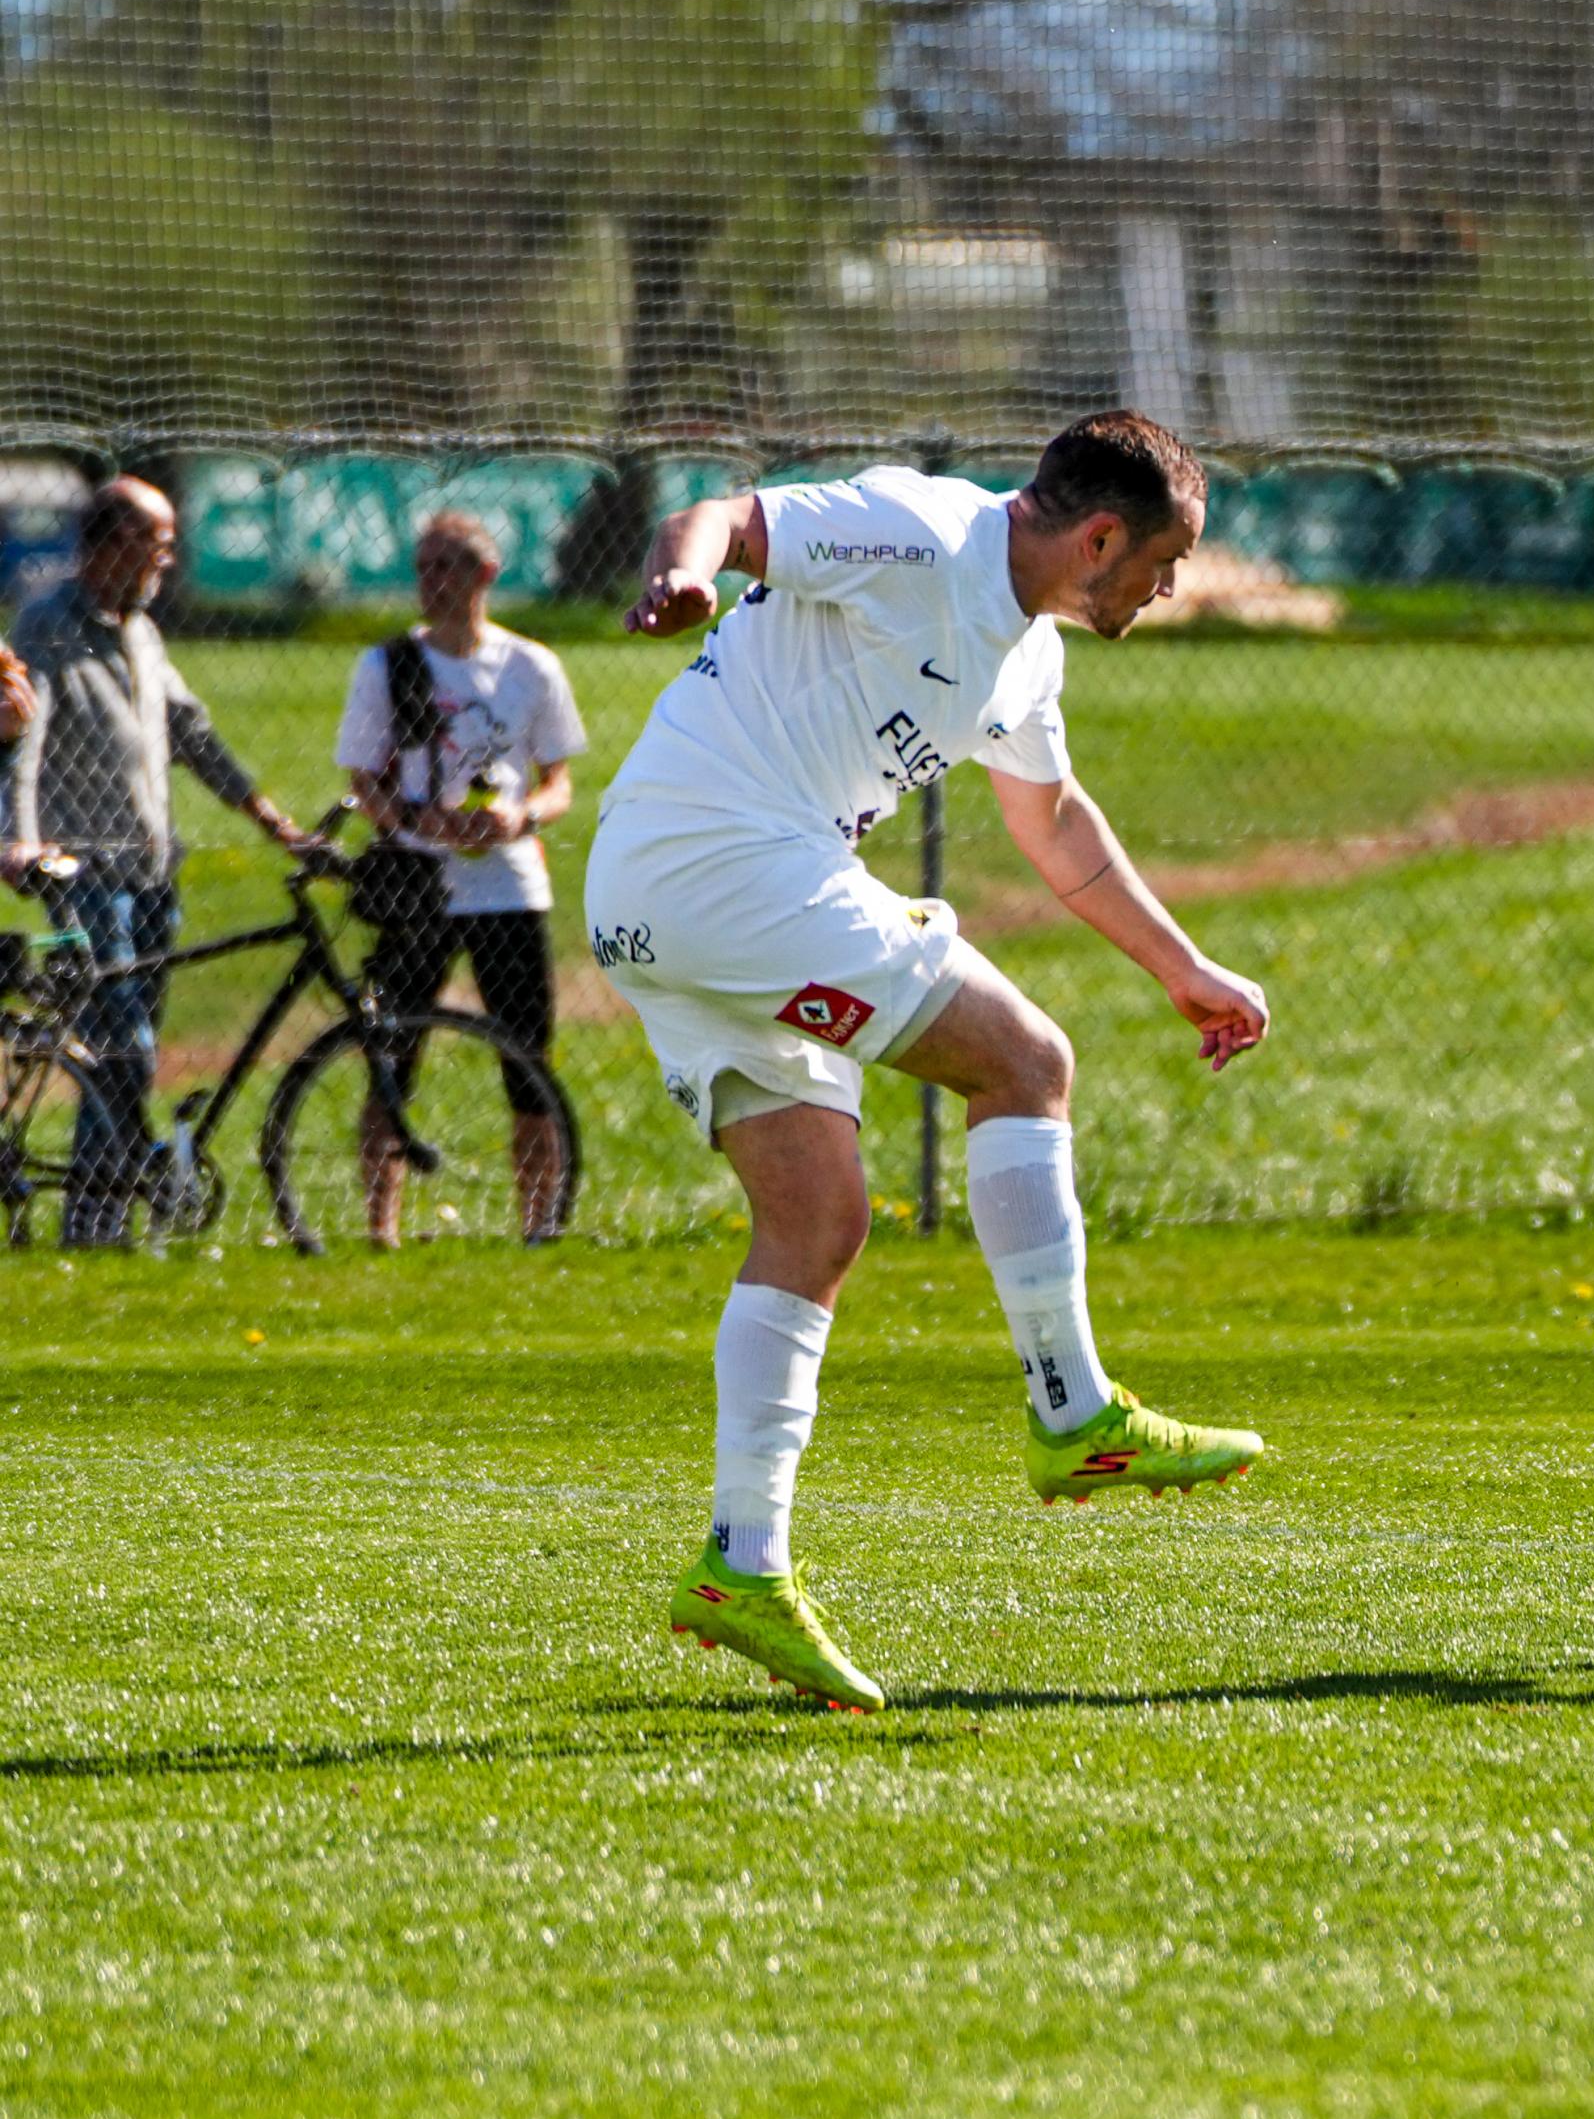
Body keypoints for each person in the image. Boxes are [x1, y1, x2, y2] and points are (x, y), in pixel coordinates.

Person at [595, 413, 1274, 1712]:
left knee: (818, 1220)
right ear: (1101, 538)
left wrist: (1181, 967)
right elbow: (725, 515)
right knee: (1025, 1060)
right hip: (722, 863)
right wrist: (683, 576)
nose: (1168, 588)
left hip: (671, 894)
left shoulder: (1026, 658)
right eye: (1166, 562)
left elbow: (1054, 822)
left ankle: (742, 1563)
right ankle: (1073, 1411)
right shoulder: (923, 529)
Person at [0, 478, 330, 1244]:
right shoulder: (49, 625)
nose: (169, 558)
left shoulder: (142, 631)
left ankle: (100, 1217)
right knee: (125, 1044)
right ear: (114, 543)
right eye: (160, 542)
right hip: (85, 875)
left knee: (124, 1051)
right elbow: (21, 741)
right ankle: (102, 1213)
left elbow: (192, 733)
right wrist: (18, 839)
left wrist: (275, 823)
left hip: (152, 876)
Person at [335, 512, 589, 1243]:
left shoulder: (529, 666)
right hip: (416, 883)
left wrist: (518, 817)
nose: (432, 582)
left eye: (447, 566)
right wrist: (414, 821)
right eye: (423, 567)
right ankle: (380, 1227)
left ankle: (538, 1223)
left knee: (527, 1059)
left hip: (508, 885)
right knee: (392, 1054)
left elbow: (559, 783)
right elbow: (362, 778)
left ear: (486, 575)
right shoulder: (389, 665)